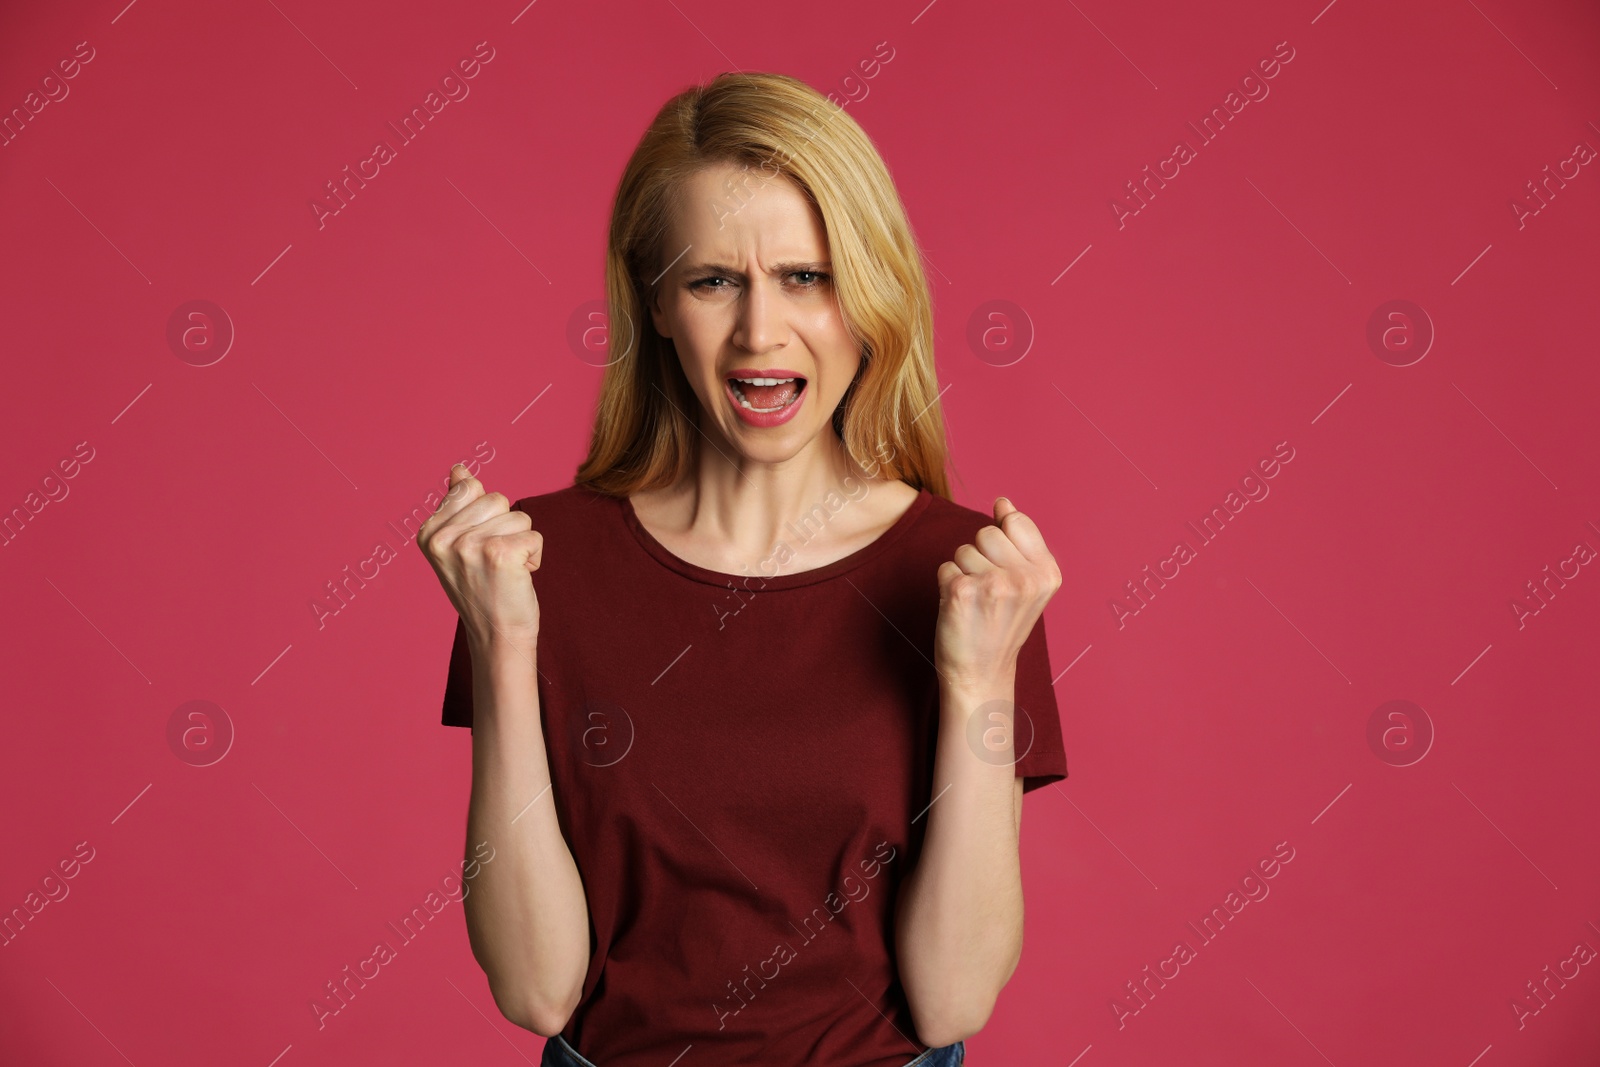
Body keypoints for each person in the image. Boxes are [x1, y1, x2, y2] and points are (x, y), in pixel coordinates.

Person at [418, 70, 1067, 1067]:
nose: (760, 333)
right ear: (657, 301)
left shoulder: (968, 574)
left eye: (807, 276)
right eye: (713, 278)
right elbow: (535, 986)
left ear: (872, 293)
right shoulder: (530, 567)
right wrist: (506, 640)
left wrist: (977, 676)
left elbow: (952, 998)